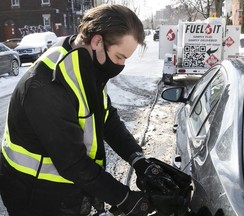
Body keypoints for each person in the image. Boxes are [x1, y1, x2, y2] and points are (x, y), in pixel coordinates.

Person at [0, 4, 186, 216]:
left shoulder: (85, 64)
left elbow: (106, 117)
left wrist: (138, 160)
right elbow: (73, 162)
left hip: (65, 190)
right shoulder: (48, 85)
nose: (121, 65)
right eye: (119, 57)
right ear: (97, 41)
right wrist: (126, 200)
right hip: (35, 195)